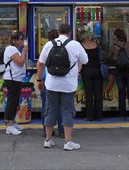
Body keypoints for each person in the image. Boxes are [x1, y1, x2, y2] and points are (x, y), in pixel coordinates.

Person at [37, 23, 88, 151]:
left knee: (50, 110)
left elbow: (40, 63)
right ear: (70, 33)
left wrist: (39, 79)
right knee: (67, 111)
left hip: (51, 84)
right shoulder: (75, 45)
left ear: (59, 32)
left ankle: (48, 140)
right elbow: (85, 60)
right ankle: (67, 142)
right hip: (68, 86)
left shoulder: (49, 45)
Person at [106, 28, 129, 119]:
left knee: (121, 93)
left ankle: (122, 115)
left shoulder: (114, 46)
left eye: (114, 35)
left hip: (119, 72)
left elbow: (107, 58)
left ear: (116, 36)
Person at [40, 30, 64, 138]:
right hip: (63, 80)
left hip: (48, 80)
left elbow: (40, 64)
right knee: (61, 106)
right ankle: (62, 130)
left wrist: (39, 80)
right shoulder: (65, 47)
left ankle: (47, 131)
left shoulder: (46, 47)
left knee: (47, 106)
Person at [3, 30, 28, 135]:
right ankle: (9, 125)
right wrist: (24, 51)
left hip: (16, 79)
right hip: (12, 79)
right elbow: (20, 62)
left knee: (15, 101)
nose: (23, 41)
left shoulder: (15, 49)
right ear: (15, 40)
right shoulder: (11, 49)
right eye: (21, 39)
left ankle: (12, 122)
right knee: (12, 102)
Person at [79, 30, 103, 121]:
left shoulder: (81, 46)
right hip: (98, 70)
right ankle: (99, 115)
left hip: (86, 70)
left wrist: (78, 70)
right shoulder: (96, 44)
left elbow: (80, 59)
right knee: (98, 94)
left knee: (88, 94)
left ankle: (90, 116)